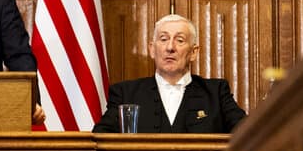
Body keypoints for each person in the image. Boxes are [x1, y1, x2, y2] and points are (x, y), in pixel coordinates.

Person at [93, 14, 245, 133]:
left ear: (193, 52)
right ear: (152, 49)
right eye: (163, 39)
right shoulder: (125, 94)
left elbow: (247, 134)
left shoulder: (216, 93)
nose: (170, 47)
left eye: (180, 40)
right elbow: (99, 141)